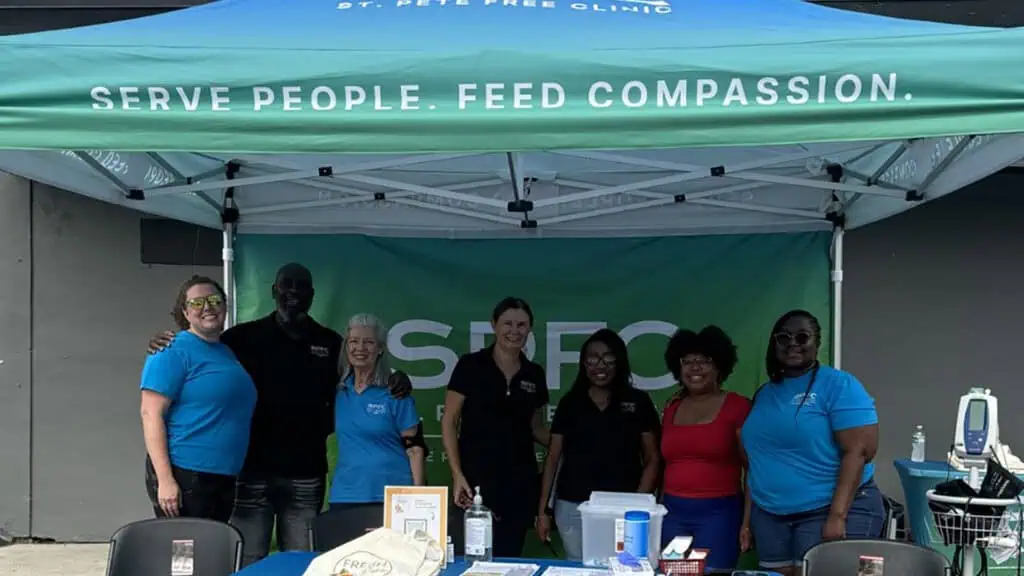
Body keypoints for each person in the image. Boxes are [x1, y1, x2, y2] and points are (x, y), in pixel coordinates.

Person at [147, 263, 413, 566]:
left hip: (306, 472)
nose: (293, 293)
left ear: (312, 296)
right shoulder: (241, 338)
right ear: (274, 291)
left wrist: (398, 378)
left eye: (301, 287)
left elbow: (364, 373)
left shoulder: (330, 342)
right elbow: (197, 345)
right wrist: (162, 341)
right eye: (286, 286)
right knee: (242, 560)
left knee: (301, 561)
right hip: (249, 472)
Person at [740, 310, 883, 576]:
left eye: (802, 336)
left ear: (817, 342)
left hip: (829, 510)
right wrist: (747, 521)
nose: (793, 343)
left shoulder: (839, 385)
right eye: (784, 337)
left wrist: (837, 516)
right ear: (774, 344)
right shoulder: (764, 393)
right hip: (770, 515)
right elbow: (756, 463)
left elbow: (860, 450)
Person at [536, 329, 660, 561]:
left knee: (623, 569)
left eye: (608, 358)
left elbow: (652, 457)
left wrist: (638, 503)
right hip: (573, 505)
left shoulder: (637, 401)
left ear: (619, 361)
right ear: (583, 363)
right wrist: (543, 511)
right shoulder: (570, 403)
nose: (600, 365)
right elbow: (553, 458)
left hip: (623, 507)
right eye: (592, 358)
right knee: (579, 567)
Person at [139, 275, 257, 522]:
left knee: (210, 554)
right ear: (184, 311)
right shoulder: (171, 349)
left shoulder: (226, 351)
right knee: (184, 556)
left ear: (225, 306)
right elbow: (150, 414)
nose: (207, 307)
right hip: (186, 475)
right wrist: (165, 480)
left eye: (214, 300)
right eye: (196, 303)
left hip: (221, 475)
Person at [441, 297, 550, 557]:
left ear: (530, 329)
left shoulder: (534, 373)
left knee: (510, 556)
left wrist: (573, 443)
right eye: (508, 323)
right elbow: (449, 420)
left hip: (519, 485)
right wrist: (457, 475)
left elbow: (536, 428)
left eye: (522, 325)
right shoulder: (470, 365)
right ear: (494, 325)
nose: (515, 331)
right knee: (473, 559)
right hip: (474, 483)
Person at [659, 326, 751, 570]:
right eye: (687, 361)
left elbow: (752, 469)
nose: (695, 367)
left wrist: (747, 522)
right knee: (671, 574)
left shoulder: (738, 406)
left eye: (704, 361)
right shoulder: (671, 408)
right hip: (672, 514)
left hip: (719, 515)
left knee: (714, 573)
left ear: (720, 365)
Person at [327, 314, 426, 513]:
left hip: (392, 495)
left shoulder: (395, 392)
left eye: (369, 342)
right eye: (354, 341)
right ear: (347, 347)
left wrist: (420, 497)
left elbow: (415, 449)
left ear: (380, 348)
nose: (360, 348)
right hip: (345, 494)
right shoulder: (338, 390)